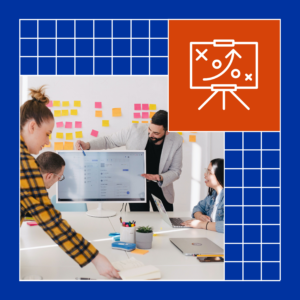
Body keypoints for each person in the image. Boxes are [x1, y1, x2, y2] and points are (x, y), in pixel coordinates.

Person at [20, 86, 120, 279]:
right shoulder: (24, 162)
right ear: (32, 126)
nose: (48, 142)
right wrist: (96, 258)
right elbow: (49, 219)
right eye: (47, 133)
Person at [75, 110, 183, 212]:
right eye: (149, 129)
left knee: (166, 223)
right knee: (140, 224)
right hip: (136, 187)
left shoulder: (176, 140)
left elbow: (176, 171)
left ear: (167, 132)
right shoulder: (134, 130)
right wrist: (88, 145)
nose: (150, 134)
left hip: (161, 187)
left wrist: (159, 177)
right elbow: (109, 140)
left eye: (156, 133)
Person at [181, 158, 224, 233]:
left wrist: (201, 224)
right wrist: (200, 216)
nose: (205, 174)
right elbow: (197, 208)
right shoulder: (213, 195)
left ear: (221, 175)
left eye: (209, 172)